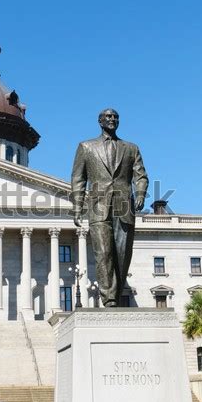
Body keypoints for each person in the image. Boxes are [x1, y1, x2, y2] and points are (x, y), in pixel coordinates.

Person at [71, 108, 149, 307]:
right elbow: (79, 179)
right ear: (100, 121)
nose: (112, 119)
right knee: (103, 253)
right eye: (108, 117)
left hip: (124, 206)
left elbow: (141, 176)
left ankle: (117, 288)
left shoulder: (131, 148)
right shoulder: (86, 147)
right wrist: (78, 207)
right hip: (98, 206)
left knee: (123, 254)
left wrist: (140, 193)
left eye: (115, 117)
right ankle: (110, 298)